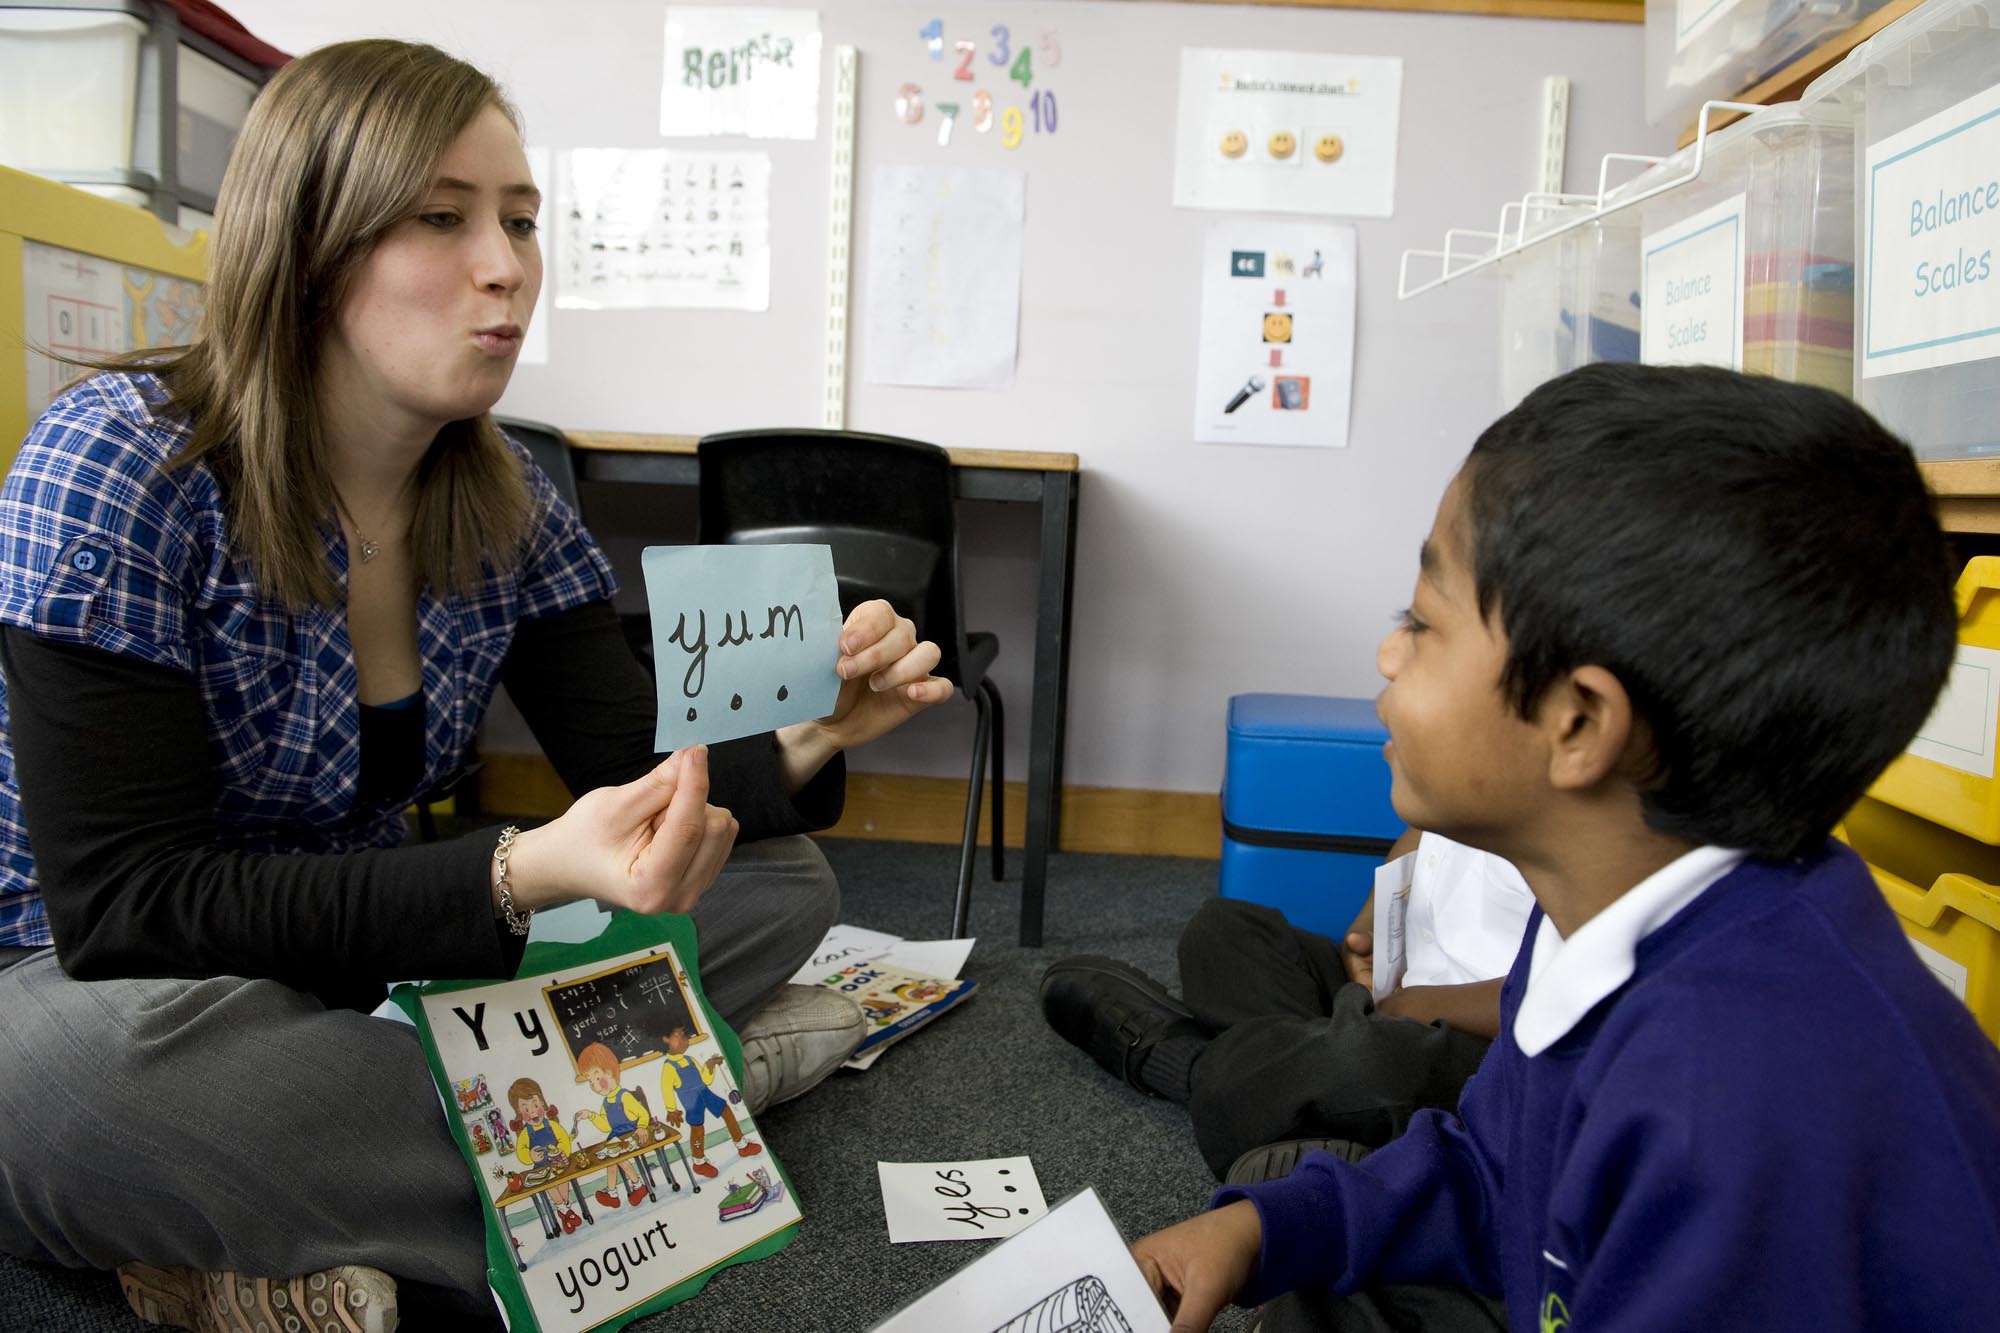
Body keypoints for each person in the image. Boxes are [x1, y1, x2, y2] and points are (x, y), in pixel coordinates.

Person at [0, 39, 955, 1333]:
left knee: (777, 874)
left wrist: (804, 734)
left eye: (520, 220)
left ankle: (341, 1196)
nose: (507, 266)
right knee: (79, 1090)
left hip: (358, 969)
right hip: (97, 980)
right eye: (442, 219)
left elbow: (635, 762)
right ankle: (674, 1089)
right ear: (313, 242)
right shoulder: (117, 467)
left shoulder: (510, 497)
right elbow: (126, 906)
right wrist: (518, 875)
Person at [1129, 363, 2000, 1332]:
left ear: (1576, 724)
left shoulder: (1735, 1109)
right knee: (1307, 1276)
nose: (1386, 653)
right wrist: (1266, 1229)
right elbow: (1496, 1164)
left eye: (1419, 623)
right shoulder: (1607, 920)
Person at [1040, 829, 1533, 1180]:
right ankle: (1302, 1105)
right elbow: (1418, 839)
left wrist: (1414, 1008)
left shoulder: (1575, 834)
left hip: (1493, 1048)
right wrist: (1371, 924)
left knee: (1367, 1058)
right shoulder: (1471, 787)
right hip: (1395, 999)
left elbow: (1578, 989)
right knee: (1226, 932)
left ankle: (1179, 1061)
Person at [660, 1023, 762, 1178]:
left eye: (684, 1035)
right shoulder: (668, 1068)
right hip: (692, 1101)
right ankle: (699, 1162)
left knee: (726, 1111)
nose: (684, 1039)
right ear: (665, 1039)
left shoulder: (689, 1059)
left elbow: (705, 1080)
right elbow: (666, 1089)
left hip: (705, 1093)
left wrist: (710, 1065)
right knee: (697, 1129)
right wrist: (671, 1110)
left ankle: (742, 1145)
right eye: (678, 1035)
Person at [571, 1042, 654, 1209]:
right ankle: (612, 1193)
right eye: (589, 1080)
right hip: (616, 1138)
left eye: (596, 1077)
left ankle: (638, 1185)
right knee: (610, 1160)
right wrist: (591, 1115)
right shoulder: (606, 1102)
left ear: (609, 1073)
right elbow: (606, 1126)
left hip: (631, 1135)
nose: (593, 1084)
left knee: (616, 1157)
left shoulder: (624, 1097)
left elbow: (642, 1114)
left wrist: (642, 1126)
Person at [506, 1078, 581, 1235]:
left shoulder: (552, 1125)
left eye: (535, 1105)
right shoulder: (526, 1133)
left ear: (542, 1104)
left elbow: (564, 1141)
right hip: (541, 1168)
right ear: (519, 1113)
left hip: (559, 1163)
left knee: (563, 1181)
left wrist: (560, 1150)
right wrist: (530, 1156)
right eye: (525, 1108)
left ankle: (565, 1209)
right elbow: (522, 1152)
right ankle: (564, 1210)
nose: (533, 1111)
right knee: (549, 1184)